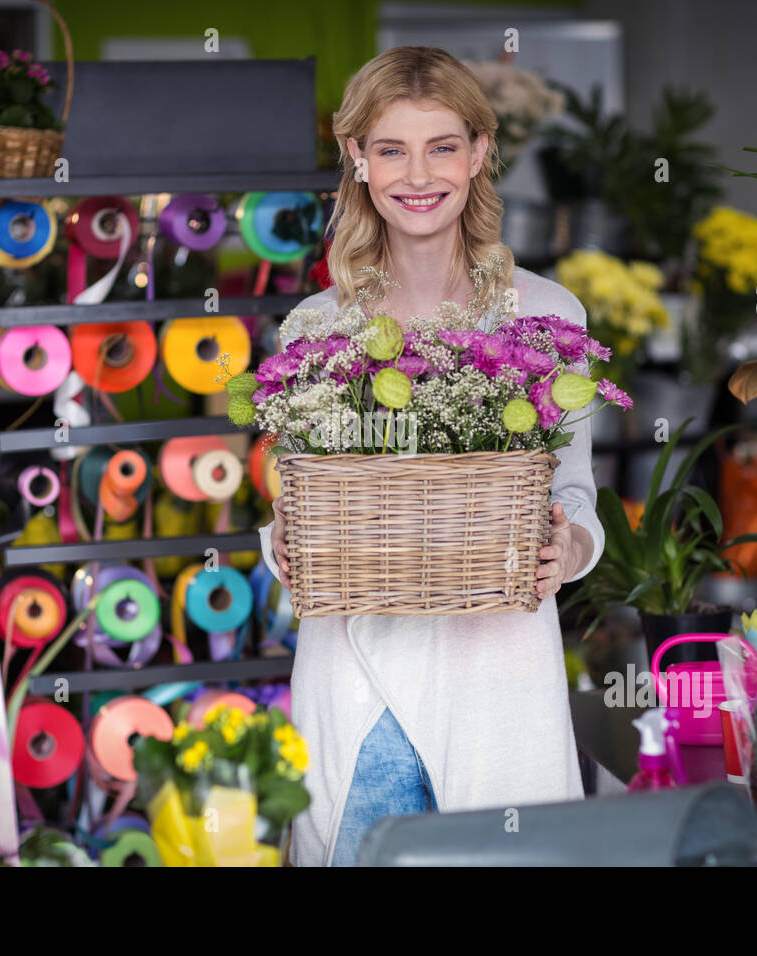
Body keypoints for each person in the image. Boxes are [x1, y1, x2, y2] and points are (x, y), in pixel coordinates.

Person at [257, 46, 605, 867]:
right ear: (357, 159)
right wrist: (282, 546)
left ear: (480, 152)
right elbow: (292, 510)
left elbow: (580, 495)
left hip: (497, 689)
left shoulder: (548, 314)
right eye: (390, 148)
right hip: (354, 688)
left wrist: (569, 548)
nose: (419, 174)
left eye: (442, 146)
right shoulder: (314, 327)